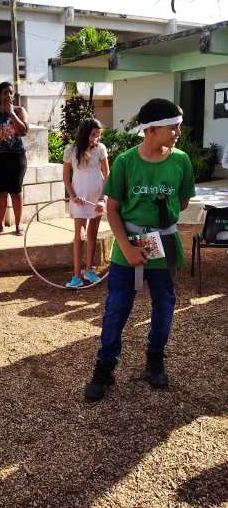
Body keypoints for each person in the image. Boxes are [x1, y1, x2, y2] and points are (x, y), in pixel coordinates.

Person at [85, 99, 195, 401]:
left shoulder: (181, 161)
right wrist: (126, 246)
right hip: (128, 244)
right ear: (151, 129)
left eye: (178, 126)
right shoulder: (126, 162)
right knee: (117, 308)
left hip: (164, 243)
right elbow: (113, 209)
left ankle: (155, 362)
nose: (177, 132)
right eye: (172, 127)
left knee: (165, 305)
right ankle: (104, 369)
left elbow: (182, 201)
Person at [63, 118, 109, 287]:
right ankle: (76, 275)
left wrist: (103, 198)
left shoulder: (101, 149)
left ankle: (90, 270)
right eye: (93, 135)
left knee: (93, 232)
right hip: (79, 198)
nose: (95, 138)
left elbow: (107, 175)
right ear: (84, 134)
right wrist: (73, 196)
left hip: (96, 196)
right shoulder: (71, 151)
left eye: (98, 135)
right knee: (79, 234)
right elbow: (66, 178)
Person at [0, 82, 29, 236]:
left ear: (13, 95)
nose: (7, 95)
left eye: (10, 92)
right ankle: (0, 225)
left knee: (15, 192)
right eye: (4, 92)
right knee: (0, 192)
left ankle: (18, 225)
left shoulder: (20, 111)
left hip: (16, 158)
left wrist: (12, 114)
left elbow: (24, 131)